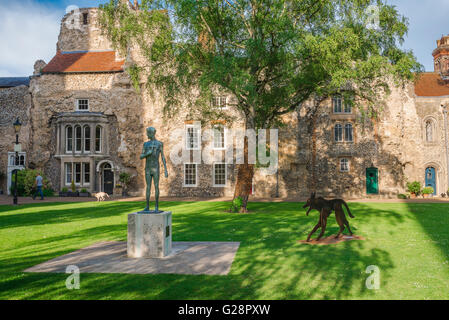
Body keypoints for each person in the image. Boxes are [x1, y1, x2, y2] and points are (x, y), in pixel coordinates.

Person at [140, 127, 168, 212]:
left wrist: (166, 169)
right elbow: (141, 156)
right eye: (147, 132)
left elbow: (163, 157)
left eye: (148, 132)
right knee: (148, 187)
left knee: (156, 186)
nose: (147, 134)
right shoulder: (145, 144)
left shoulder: (159, 144)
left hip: (155, 168)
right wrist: (147, 154)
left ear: (153, 133)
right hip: (148, 168)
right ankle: (147, 206)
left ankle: (156, 206)